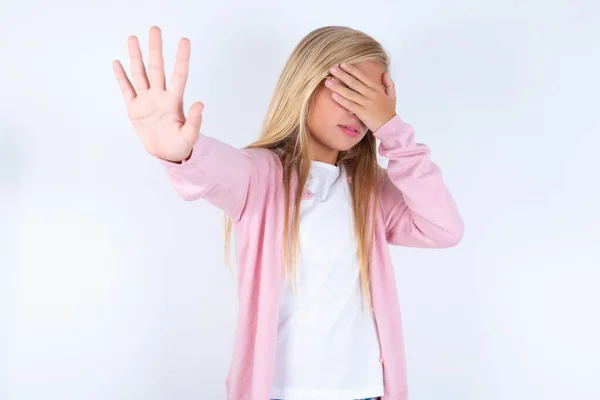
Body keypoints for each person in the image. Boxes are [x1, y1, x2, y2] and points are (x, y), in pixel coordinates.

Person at [113, 25, 463, 400]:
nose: (359, 113)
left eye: (373, 102)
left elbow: (444, 229)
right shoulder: (261, 176)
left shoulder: (370, 192)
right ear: (306, 83)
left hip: (366, 393)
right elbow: (213, 170)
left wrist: (394, 132)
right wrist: (177, 151)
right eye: (349, 91)